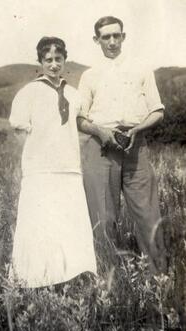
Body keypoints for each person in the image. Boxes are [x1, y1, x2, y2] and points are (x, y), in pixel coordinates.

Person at [77, 16, 166, 274]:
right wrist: (101, 132)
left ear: (124, 37)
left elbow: (157, 111)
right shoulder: (89, 76)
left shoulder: (141, 69)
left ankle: (157, 278)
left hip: (136, 145)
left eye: (117, 36)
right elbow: (80, 119)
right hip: (101, 147)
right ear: (97, 40)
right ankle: (108, 278)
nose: (112, 42)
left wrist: (138, 129)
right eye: (106, 37)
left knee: (148, 214)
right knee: (103, 216)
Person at [9, 36, 97, 288]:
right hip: (40, 170)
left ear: (65, 60)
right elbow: (19, 131)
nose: (54, 64)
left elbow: (81, 122)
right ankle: (35, 279)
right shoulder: (28, 93)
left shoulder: (73, 93)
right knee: (40, 222)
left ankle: (71, 275)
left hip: (69, 168)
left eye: (59, 59)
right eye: (48, 59)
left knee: (68, 222)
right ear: (40, 62)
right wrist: (27, 166)